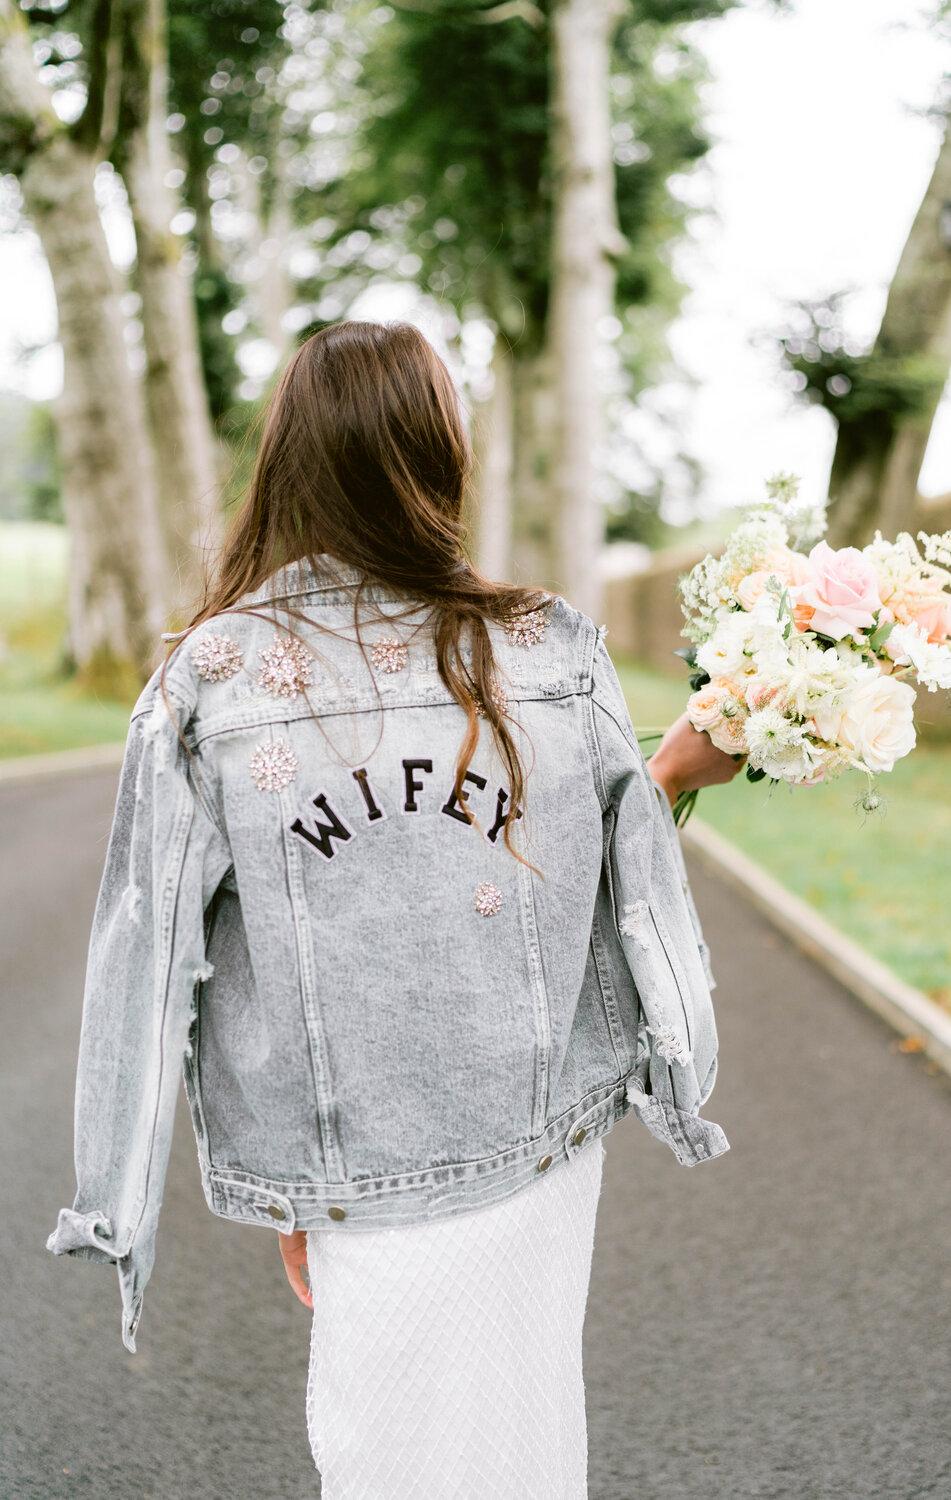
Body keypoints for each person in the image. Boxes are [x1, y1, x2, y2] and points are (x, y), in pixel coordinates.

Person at [47, 320, 742, 1499]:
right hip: (540, 1152)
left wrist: (157, 1197)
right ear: (438, 455)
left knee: (392, 1449)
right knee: (521, 1439)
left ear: (288, 459)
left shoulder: (212, 676)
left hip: (356, 1159)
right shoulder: (540, 641)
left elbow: (142, 949)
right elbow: (601, 875)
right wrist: (667, 785)